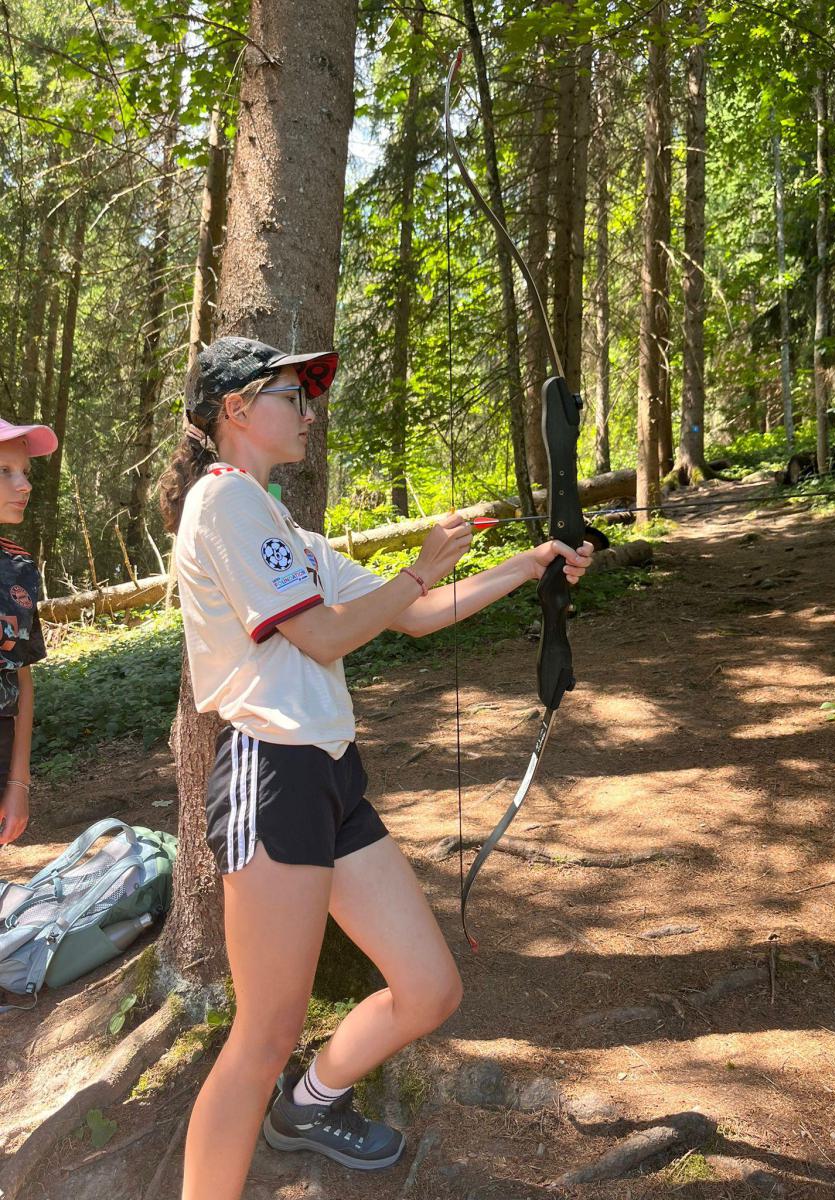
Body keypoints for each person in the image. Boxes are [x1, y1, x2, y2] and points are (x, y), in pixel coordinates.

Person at [159, 336, 594, 1200]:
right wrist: (416, 569)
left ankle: (308, 1106)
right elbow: (323, 635)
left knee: (428, 989)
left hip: (330, 776)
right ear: (237, 409)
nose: (308, 412)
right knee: (262, 1037)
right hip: (271, 777)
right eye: (292, 396)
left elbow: (419, 613)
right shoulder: (224, 501)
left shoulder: (285, 530)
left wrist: (535, 562)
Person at [0, 417, 58, 850]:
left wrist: (18, 782)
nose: (25, 485)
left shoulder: (18, 568)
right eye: (5, 471)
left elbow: (21, 677)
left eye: (25, 472)